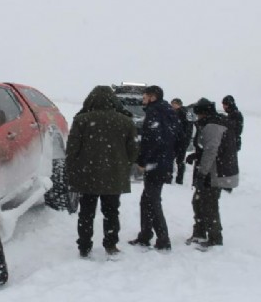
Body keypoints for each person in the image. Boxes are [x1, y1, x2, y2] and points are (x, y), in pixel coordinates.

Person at [65, 86, 139, 257]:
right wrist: (123, 165)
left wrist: (72, 169)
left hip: (87, 174)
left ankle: (84, 246)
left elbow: (72, 149)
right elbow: (133, 149)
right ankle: (111, 244)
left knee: (86, 213)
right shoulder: (125, 121)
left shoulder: (81, 120)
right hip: (114, 175)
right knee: (111, 212)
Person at [128, 85, 180, 251]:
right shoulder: (169, 112)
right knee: (147, 200)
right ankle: (145, 235)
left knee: (152, 201)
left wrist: (143, 161)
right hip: (163, 162)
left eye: (145, 96)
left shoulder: (155, 112)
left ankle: (163, 240)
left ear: (153, 97)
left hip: (156, 164)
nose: (142, 99)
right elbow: (178, 137)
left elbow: (152, 140)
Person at [185, 98, 239, 249]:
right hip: (215, 169)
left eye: (198, 114)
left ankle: (215, 238)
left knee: (208, 204)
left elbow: (211, 150)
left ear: (203, 112)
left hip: (216, 172)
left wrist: (202, 172)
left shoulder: (213, 125)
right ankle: (200, 232)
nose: (197, 117)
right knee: (198, 201)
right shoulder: (214, 122)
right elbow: (209, 148)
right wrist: (196, 155)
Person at [171, 98, 193, 185]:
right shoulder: (187, 113)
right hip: (182, 141)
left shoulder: (180, 113)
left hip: (178, 141)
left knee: (173, 159)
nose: (172, 106)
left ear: (178, 104)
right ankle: (179, 179)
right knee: (179, 160)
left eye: (173, 104)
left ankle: (170, 178)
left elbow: (179, 128)